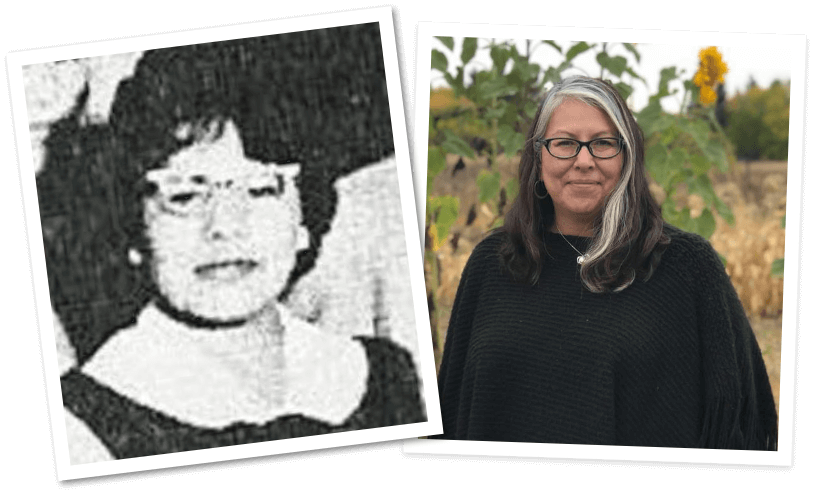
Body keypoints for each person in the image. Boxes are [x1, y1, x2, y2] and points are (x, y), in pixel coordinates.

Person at [38, 28, 425, 464]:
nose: (224, 227)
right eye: (183, 196)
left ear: (304, 222)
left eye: (261, 189)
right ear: (134, 232)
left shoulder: (384, 376)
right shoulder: (84, 425)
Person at [433, 76, 777, 449]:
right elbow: (450, 411)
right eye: (565, 143)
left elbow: (745, 420)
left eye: (602, 143)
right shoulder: (493, 262)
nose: (584, 161)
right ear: (538, 155)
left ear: (627, 155)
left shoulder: (685, 266)